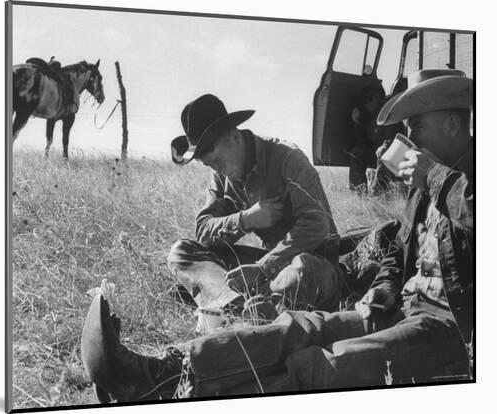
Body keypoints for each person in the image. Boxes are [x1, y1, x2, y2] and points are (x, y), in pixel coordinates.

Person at [80, 70, 473, 402]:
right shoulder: (427, 182)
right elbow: (400, 250)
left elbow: (473, 216)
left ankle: (183, 387)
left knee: (331, 362)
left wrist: (435, 178)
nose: (406, 139)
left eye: (415, 127)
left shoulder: (457, 179)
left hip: (451, 325)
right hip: (404, 307)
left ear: (453, 125)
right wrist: (385, 287)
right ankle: (155, 372)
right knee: (298, 329)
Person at [167, 94, 342, 317]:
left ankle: (234, 302)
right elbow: (203, 232)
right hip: (264, 268)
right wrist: (247, 219)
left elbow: (317, 225)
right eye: (211, 166)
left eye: (218, 162)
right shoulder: (221, 176)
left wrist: (263, 267)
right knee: (181, 252)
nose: (217, 171)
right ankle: (240, 306)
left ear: (234, 137)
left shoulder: (288, 158)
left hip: (310, 263)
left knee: (302, 271)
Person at [349, 85, 404, 192]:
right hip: (377, 154)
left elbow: (392, 134)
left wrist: (384, 146)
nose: (367, 103)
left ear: (378, 97)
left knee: (382, 151)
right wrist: (356, 122)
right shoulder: (368, 116)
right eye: (364, 100)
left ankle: (377, 192)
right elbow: (363, 141)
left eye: (370, 99)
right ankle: (359, 191)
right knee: (356, 153)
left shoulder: (388, 110)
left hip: (395, 151)